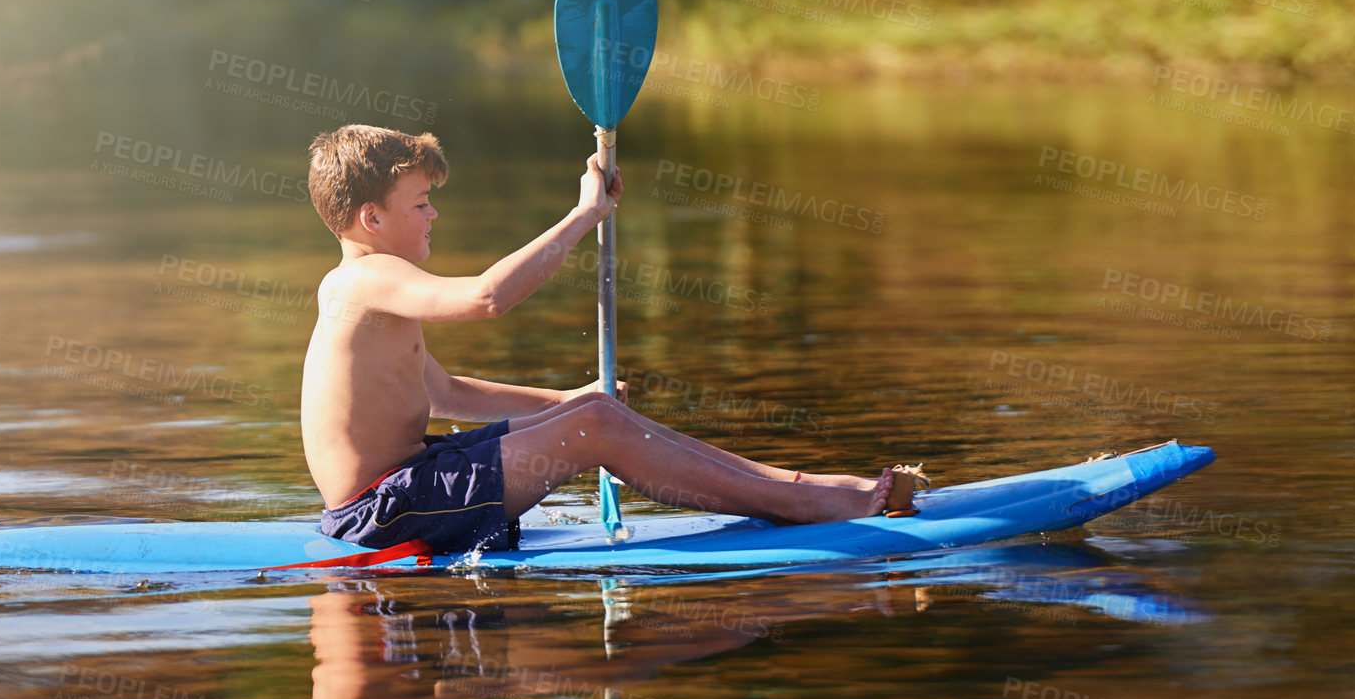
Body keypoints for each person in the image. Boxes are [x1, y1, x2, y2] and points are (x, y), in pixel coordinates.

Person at [300, 124, 906, 556]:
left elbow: (448, 393)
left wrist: (575, 398)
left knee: (594, 413)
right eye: (422, 202)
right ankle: (799, 505)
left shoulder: (364, 288)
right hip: (383, 512)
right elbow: (486, 298)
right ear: (372, 219)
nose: (433, 215)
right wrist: (584, 214)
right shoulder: (369, 276)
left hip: (407, 484)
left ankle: (799, 487)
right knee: (600, 429)